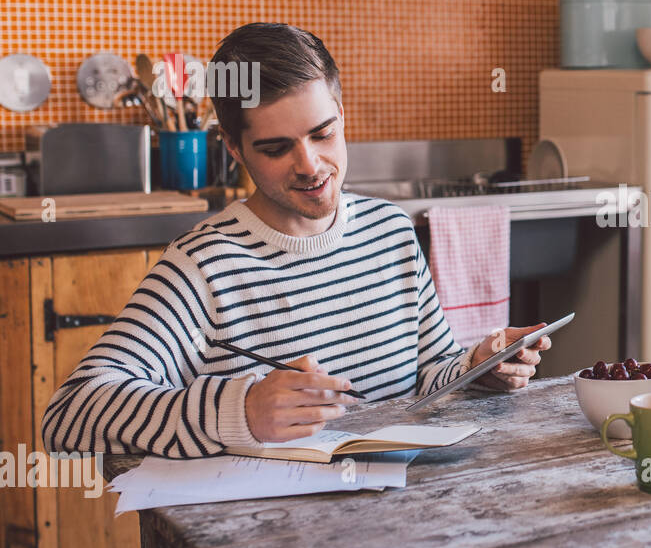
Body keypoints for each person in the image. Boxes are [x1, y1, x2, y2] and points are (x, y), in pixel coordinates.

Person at [42, 23, 550, 457]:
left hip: (406, 520)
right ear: (234, 150)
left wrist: (477, 368)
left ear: (341, 114)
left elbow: (428, 379)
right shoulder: (203, 267)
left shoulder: (390, 232)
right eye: (276, 147)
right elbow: (70, 415)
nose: (309, 165)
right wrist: (241, 412)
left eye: (323, 133)